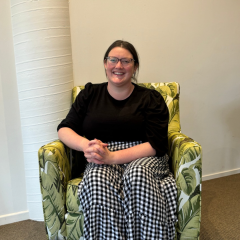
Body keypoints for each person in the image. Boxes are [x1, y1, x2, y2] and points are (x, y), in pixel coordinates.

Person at [57, 40, 177, 239]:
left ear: (135, 66)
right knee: (96, 179)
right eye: (113, 59)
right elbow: (65, 128)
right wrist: (87, 146)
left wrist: (112, 157)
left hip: (143, 154)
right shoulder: (89, 94)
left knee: (138, 175)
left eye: (126, 61)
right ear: (105, 63)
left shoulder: (150, 98)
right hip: (101, 154)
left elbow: (156, 143)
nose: (118, 66)